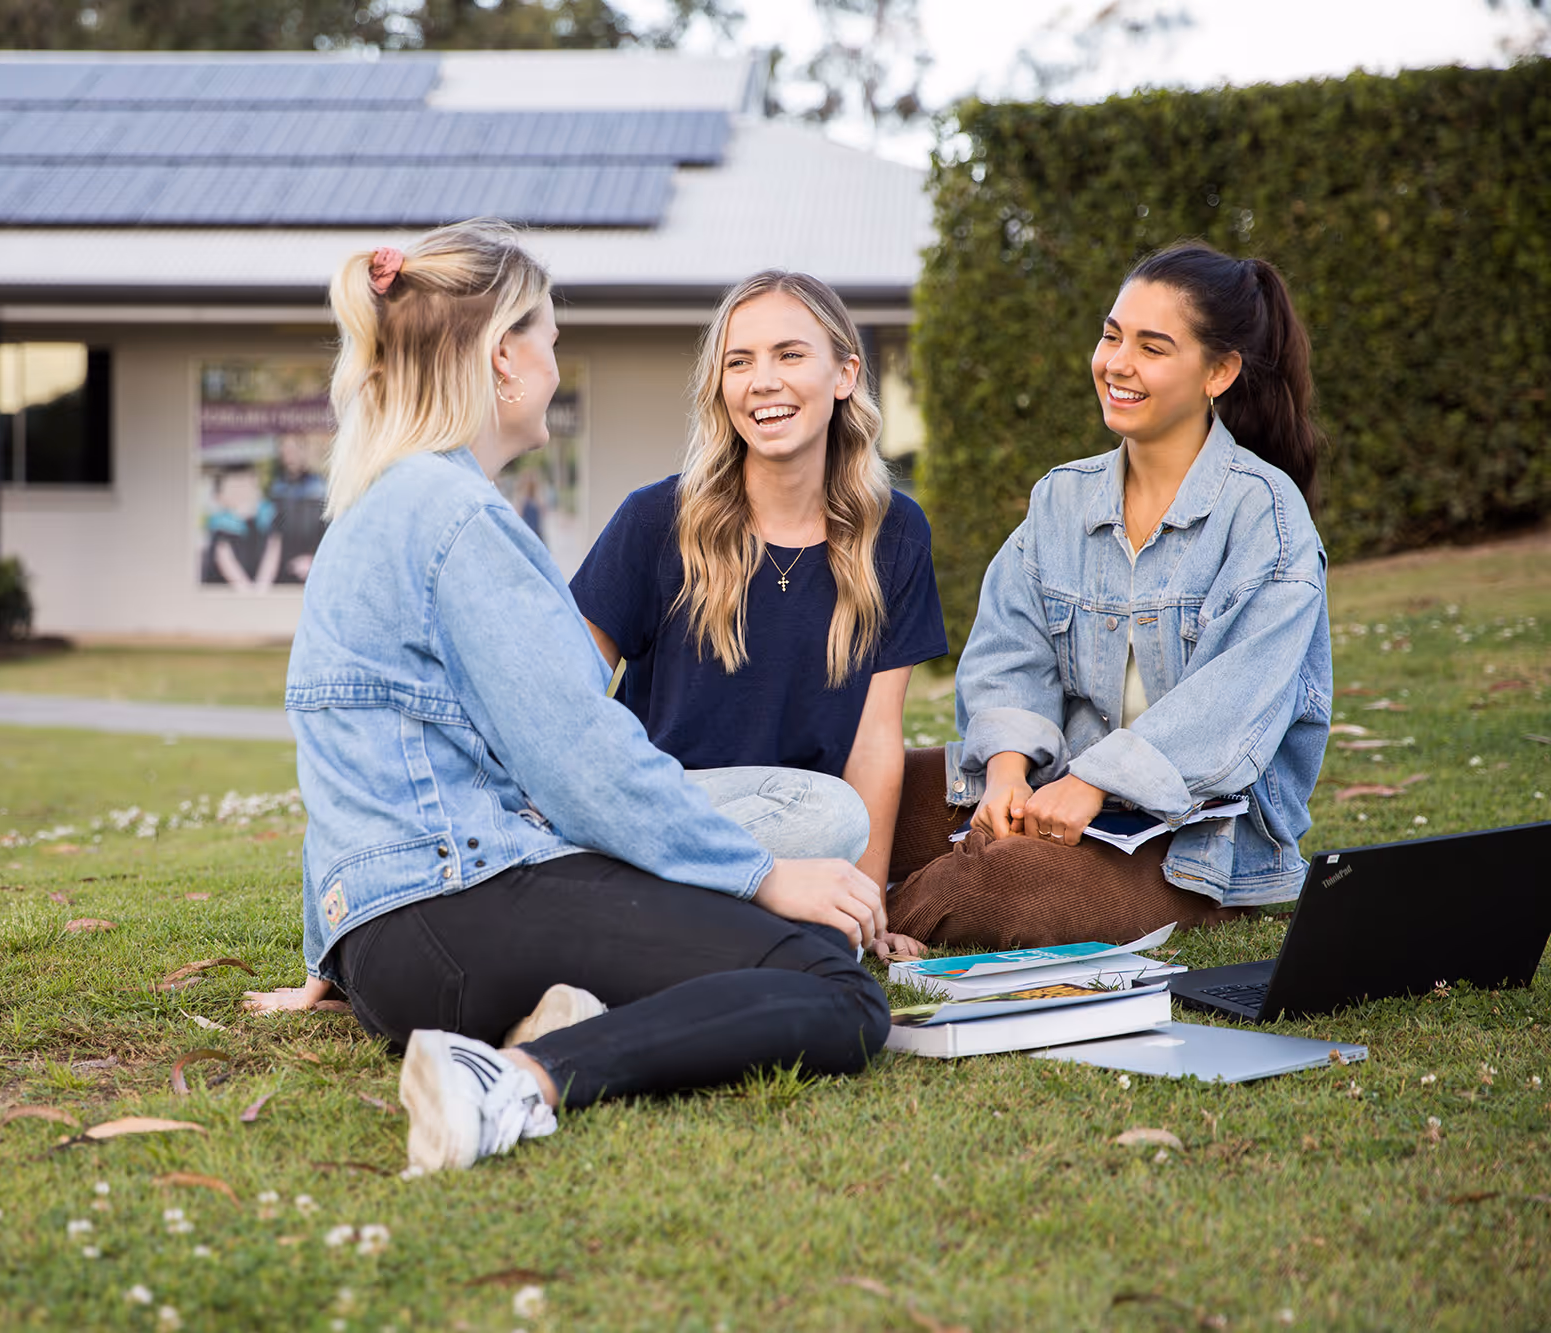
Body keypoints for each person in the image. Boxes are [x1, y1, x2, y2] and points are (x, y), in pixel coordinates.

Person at [245, 220, 893, 1173]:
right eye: (548, 334)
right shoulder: (457, 517)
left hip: (393, 950)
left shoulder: (374, 507)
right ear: (504, 357)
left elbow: (344, 754)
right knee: (833, 985)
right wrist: (763, 875)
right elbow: (579, 752)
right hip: (467, 909)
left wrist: (330, 949)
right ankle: (522, 1078)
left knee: (725, 939)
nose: (557, 359)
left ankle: (554, 1014)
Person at [884, 241, 1332, 950]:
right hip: (1055, 785)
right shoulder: (1062, 497)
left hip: (1195, 845)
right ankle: (885, 882)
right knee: (864, 794)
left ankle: (863, 908)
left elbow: (1230, 714)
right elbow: (1011, 648)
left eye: (1152, 347)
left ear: (1219, 371)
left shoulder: (1267, 518)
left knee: (982, 886)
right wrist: (1005, 772)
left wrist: (1092, 783)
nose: (1117, 362)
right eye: (1111, 334)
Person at [570, 272, 948, 932]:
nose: (761, 381)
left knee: (843, 840)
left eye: (789, 354)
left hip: (795, 838)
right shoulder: (657, 519)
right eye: (738, 361)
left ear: (845, 374)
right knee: (833, 815)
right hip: (655, 809)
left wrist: (869, 904)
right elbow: (560, 694)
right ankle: (629, 888)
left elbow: (876, 738)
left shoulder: (896, 534)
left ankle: (676, 910)